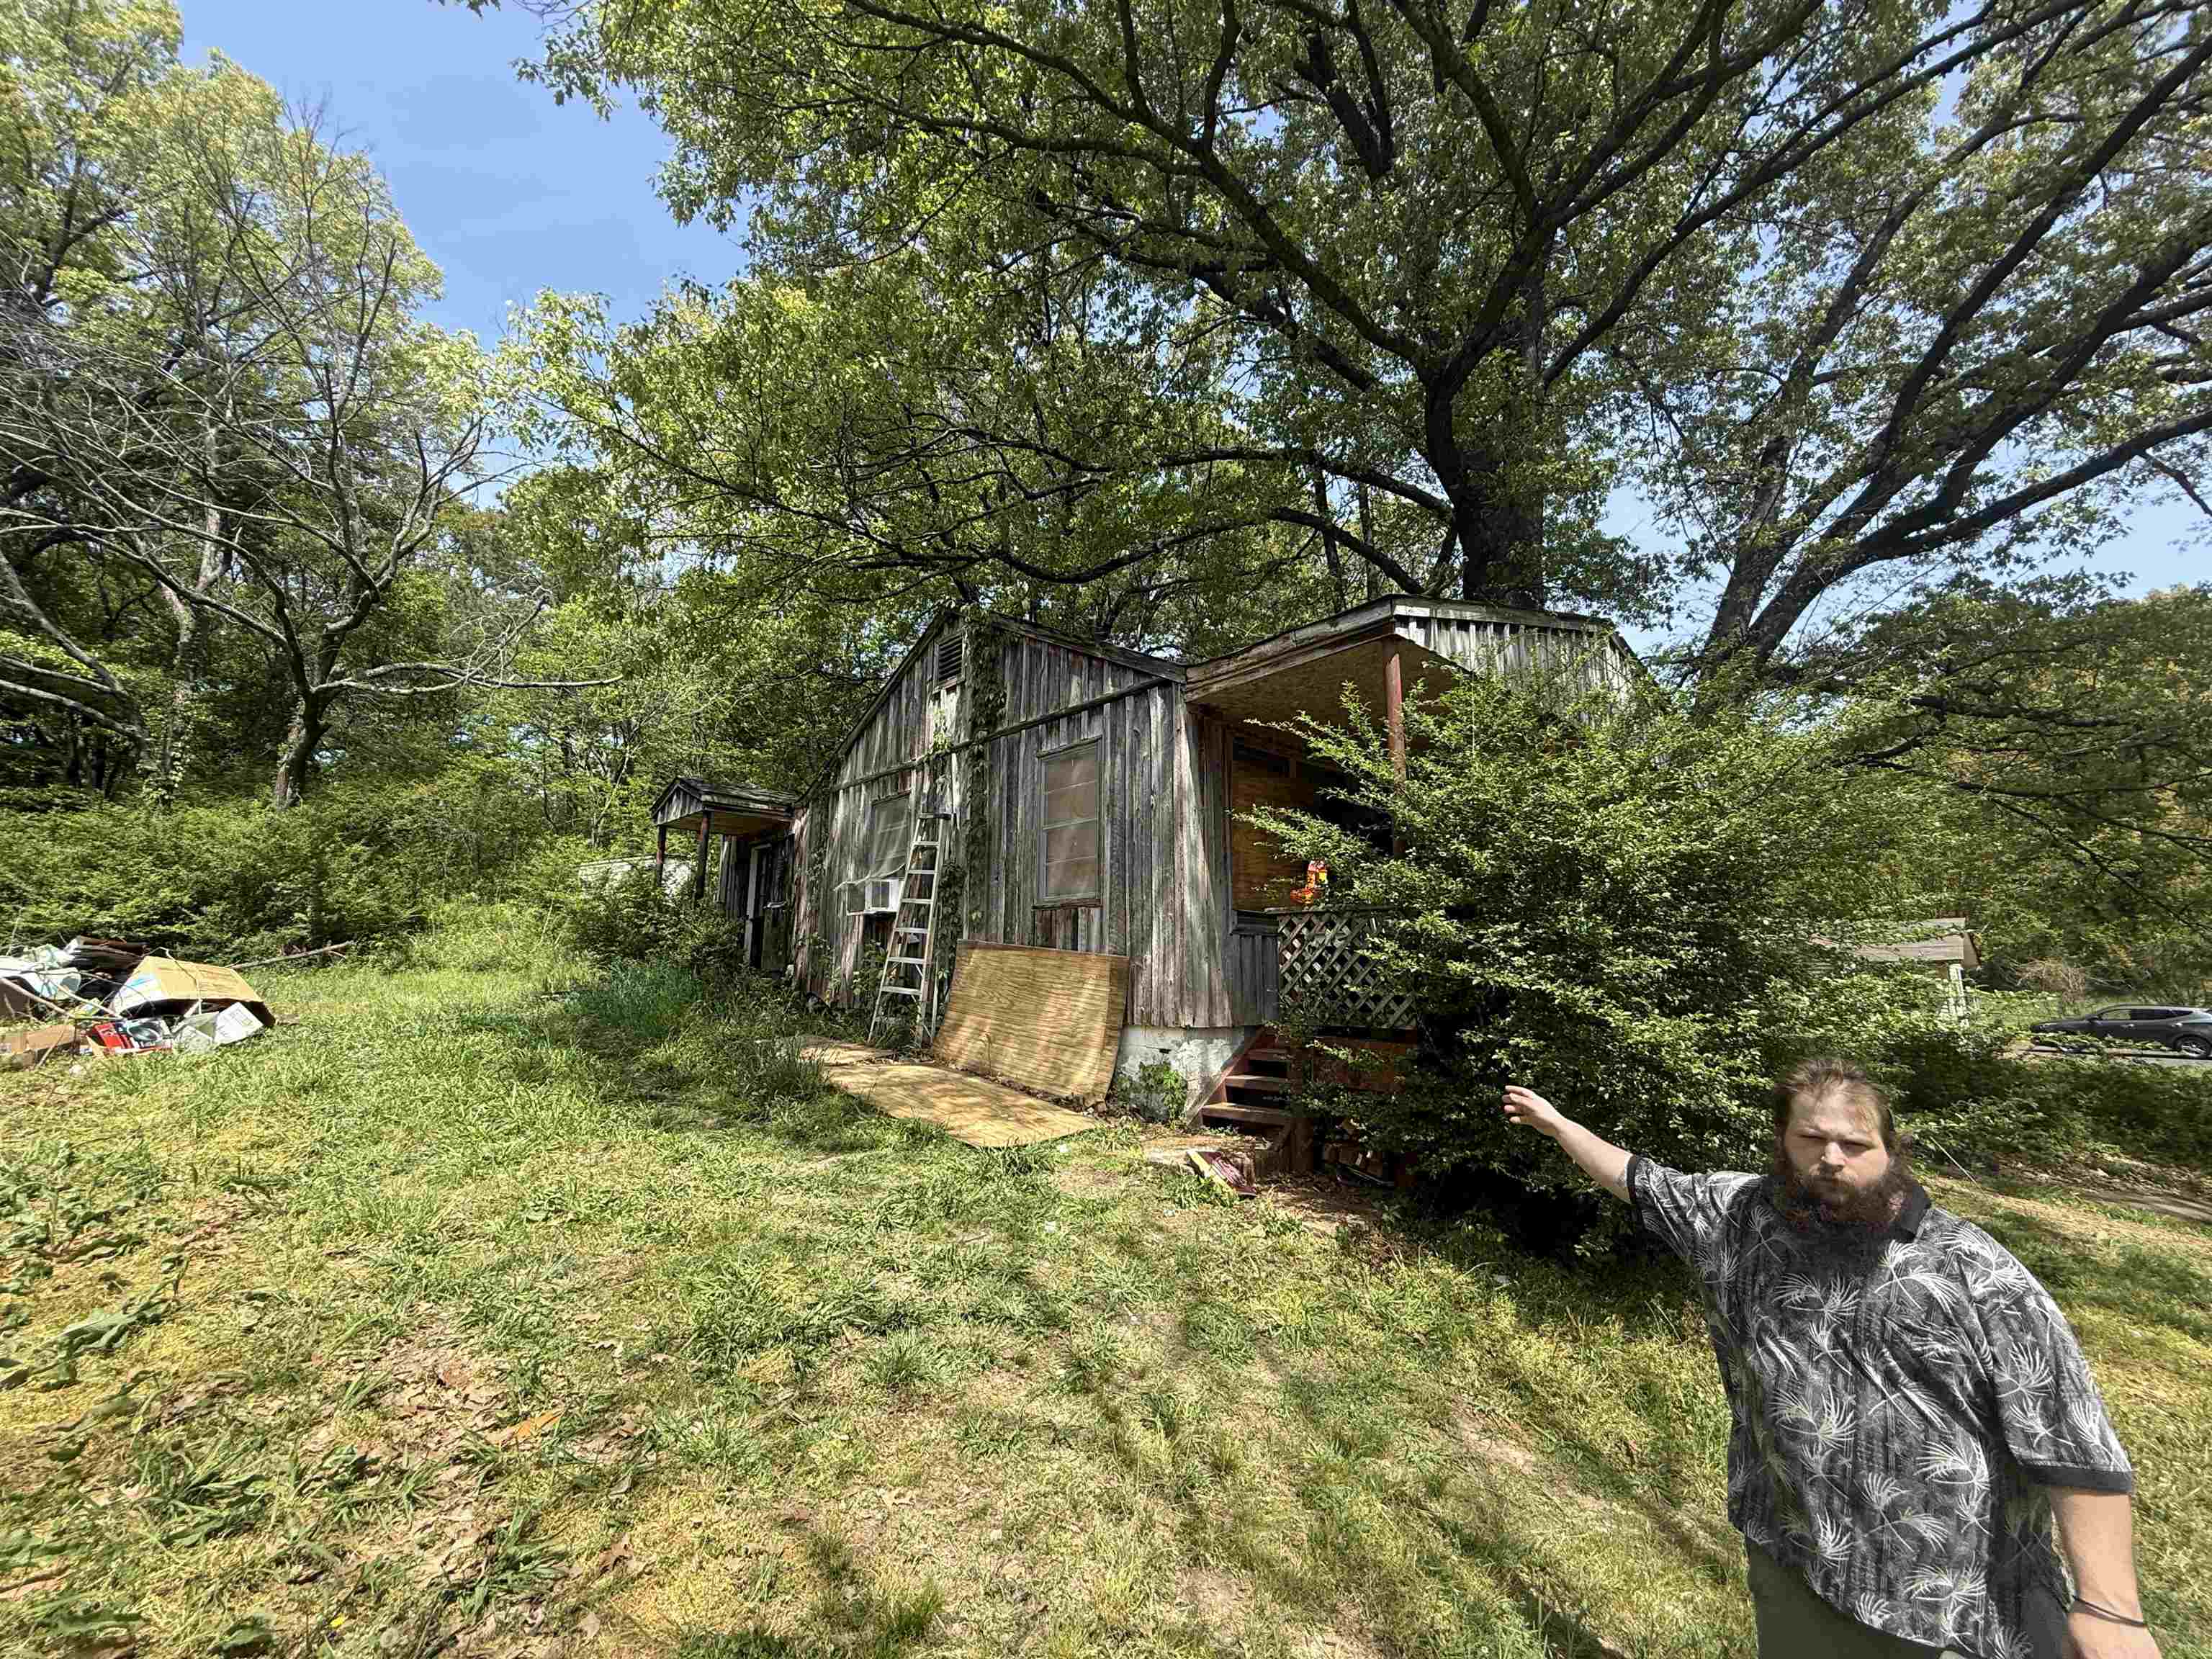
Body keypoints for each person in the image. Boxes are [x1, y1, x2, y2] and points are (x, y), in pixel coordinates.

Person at [1501, 1058, 2158, 1659]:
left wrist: (2110, 1610)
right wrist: (1560, 1126)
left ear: (1891, 1150)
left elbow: (2071, 1441)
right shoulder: (1736, 1214)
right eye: (1812, 1141)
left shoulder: (1972, 1270)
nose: (1833, 1159)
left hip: (1957, 1606)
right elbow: (1638, 1179)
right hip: (1792, 1555)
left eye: (1855, 1144)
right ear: (1783, 1143)